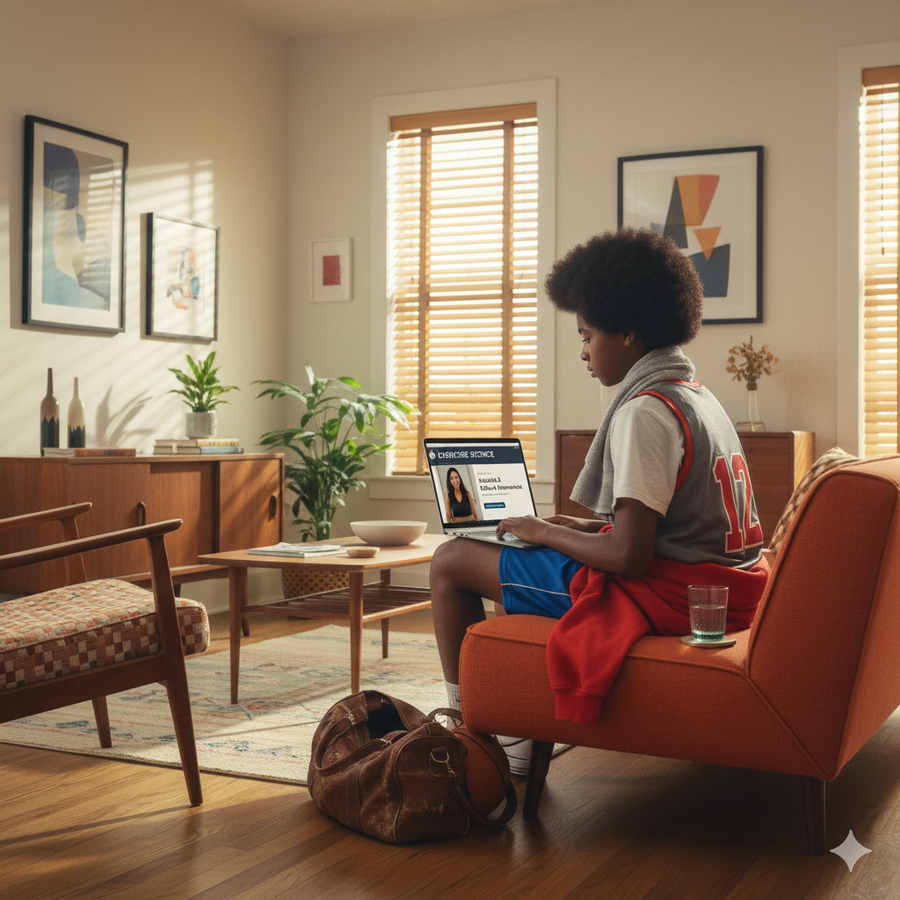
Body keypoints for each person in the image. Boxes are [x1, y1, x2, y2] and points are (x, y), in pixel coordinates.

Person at [429, 227, 771, 774]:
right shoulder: (697, 397)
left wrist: (543, 532)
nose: (584, 352)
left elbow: (630, 559)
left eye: (588, 336)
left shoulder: (644, 412)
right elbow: (671, 524)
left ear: (629, 333)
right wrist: (581, 529)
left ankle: (472, 736)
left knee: (451, 560)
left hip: (671, 596)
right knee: (512, 557)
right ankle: (512, 724)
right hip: (725, 589)